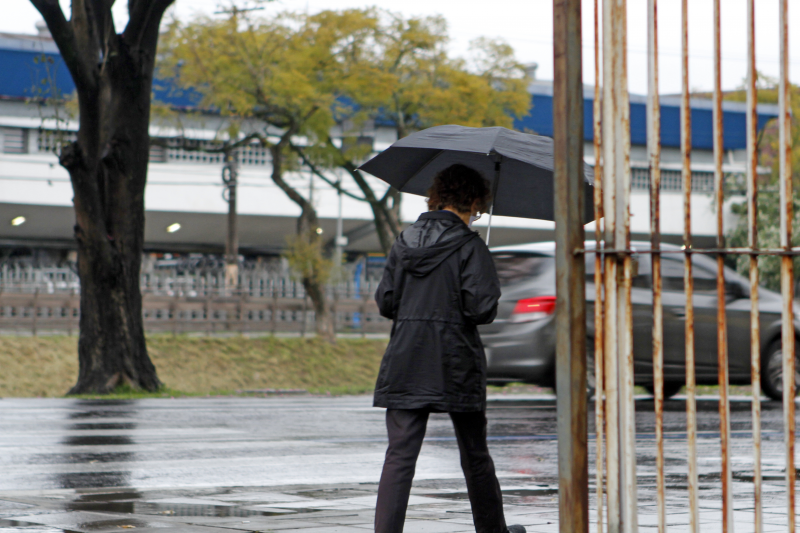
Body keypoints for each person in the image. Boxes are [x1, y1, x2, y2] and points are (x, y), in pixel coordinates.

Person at [373, 163, 525, 533]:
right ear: (473, 201)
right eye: (479, 206)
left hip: (406, 358)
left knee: (400, 455)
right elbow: (481, 309)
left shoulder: (403, 240)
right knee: (474, 453)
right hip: (455, 361)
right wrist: (485, 273)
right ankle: (493, 532)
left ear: (437, 197)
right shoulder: (471, 247)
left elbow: (386, 302)